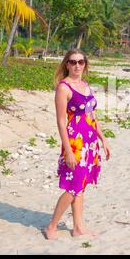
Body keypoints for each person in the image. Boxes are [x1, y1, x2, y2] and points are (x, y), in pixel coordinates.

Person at [44, 49, 111, 240]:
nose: (77, 65)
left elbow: (92, 116)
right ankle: (52, 226)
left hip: (89, 142)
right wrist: (68, 151)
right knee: (74, 186)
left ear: (85, 64)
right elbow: (61, 121)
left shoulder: (85, 86)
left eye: (81, 62)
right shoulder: (64, 88)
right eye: (73, 62)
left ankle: (78, 227)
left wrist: (103, 138)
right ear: (66, 64)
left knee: (81, 186)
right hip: (75, 143)